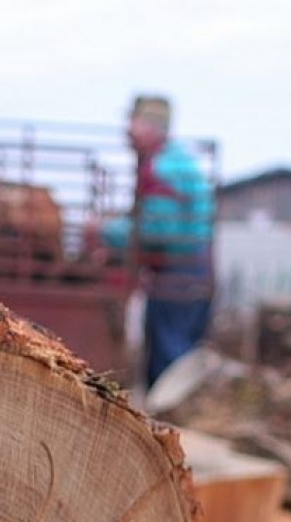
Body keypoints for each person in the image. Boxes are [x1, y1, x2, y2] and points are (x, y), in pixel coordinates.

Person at [96, 95, 216, 389]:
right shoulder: (176, 161)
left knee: (170, 360)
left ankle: (173, 426)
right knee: (175, 354)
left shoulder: (164, 167)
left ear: (152, 127)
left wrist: (106, 230)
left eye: (132, 123)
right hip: (190, 269)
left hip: (178, 273)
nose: (127, 131)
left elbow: (156, 229)